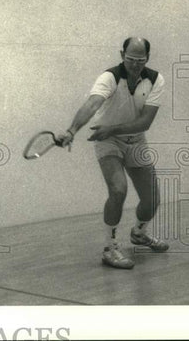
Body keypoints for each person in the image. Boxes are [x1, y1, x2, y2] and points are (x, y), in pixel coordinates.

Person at [57, 37, 169, 269]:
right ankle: (110, 248)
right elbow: (92, 104)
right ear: (121, 55)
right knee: (118, 190)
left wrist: (114, 128)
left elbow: (145, 122)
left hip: (135, 140)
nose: (135, 64)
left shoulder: (156, 80)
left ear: (147, 58)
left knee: (152, 199)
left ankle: (139, 233)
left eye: (140, 60)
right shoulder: (109, 77)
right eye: (130, 59)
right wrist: (72, 130)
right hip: (107, 140)